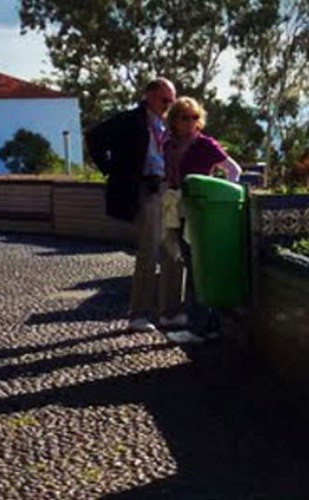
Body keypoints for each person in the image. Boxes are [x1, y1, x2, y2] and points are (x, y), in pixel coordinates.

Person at [86, 78, 177, 335]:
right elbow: (94, 137)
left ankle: (170, 311)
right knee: (149, 251)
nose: (168, 105)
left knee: (173, 251)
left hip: (166, 189)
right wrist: (111, 170)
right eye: (164, 99)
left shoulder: (167, 123)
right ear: (148, 95)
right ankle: (139, 314)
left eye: (171, 100)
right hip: (145, 189)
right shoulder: (130, 120)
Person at [160, 97, 242, 342]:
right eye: (185, 117)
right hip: (178, 210)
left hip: (199, 211)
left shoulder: (205, 145)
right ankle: (206, 324)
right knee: (191, 265)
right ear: (174, 120)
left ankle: (199, 327)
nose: (191, 122)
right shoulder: (169, 145)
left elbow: (233, 170)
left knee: (199, 268)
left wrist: (221, 202)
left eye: (195, 117)